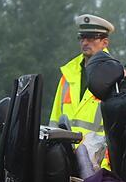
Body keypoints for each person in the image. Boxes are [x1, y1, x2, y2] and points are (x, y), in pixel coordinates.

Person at [49, 14, 114, 172]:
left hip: (97, 168)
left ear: (105, 42)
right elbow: (54, 123)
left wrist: (104, 170)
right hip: (64, 166)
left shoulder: (117, 77)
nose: (85, 42)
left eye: (91, 38)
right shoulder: (67, 75)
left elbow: (117, 132)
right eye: (82, 37)